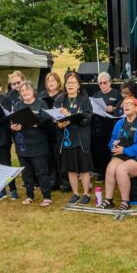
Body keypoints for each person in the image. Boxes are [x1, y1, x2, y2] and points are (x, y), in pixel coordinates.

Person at [101, 97, 137, 210]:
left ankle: (125, 201)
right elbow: (112, 140)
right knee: (110, 168)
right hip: (122, 155)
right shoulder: (119, 123)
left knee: (121, 169)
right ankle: (109, 200)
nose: (126, 106)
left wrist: (124, 150)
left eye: (130, 104)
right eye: (125, 104)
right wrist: (113, 146)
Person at [10, 82, 54, 206]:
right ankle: (29, 195)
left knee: (41, 172)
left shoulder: (41, 103)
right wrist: (13, 127)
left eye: (27, 89)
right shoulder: (18, 105)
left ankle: (47, 196)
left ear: (33, 91)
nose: (25, 92)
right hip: (23, 144)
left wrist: (37, 123)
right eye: (22, 90)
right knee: (26, 172)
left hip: (38, 144)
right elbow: (12, 121)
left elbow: (46, 120)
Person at [53, 72, 93, 204]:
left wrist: (70, 116)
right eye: (68, 82)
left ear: (78, 85)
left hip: (80, 139)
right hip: (66, 140)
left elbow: (87, 118)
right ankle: (75, 193)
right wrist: (59, 124)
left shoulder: (84, 99)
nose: (70, 85)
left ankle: (86, 194)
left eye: (73, 82)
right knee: (71, 168)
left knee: (84, 168)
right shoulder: (60, 99)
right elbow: (55, 117)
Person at [90, 71, 121, 173]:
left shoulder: (116, 94)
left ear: (110, 82)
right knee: (99, 152)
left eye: (105, 82)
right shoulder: (96, 94)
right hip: (98, 128)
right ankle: (101, 172)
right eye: (100, 83)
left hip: (111, 128)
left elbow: (122, 109)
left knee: (110, 151)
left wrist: (113, 109)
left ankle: (113, 172)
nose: (103, 85)